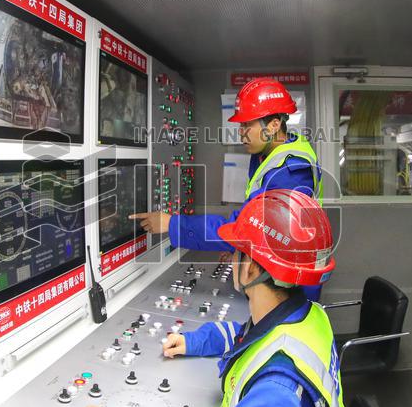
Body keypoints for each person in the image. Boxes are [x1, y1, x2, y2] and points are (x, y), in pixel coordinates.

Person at [74, 189, 348, 407]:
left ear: (251, 269)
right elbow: (250, 337)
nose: (230, 258)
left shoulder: (277, 391)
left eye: (236, 251)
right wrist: (196, 341)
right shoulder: (306, 315)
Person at [131, 78, 325, 300]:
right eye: (240, 125)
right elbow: (256, 217)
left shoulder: (289, 173)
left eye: (247, 125)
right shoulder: (273, 152)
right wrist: (239, 249)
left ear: (273, 125)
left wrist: (172, 224)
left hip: (291, 285)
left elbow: (247, 229)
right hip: (276, 270)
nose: (241, 133)